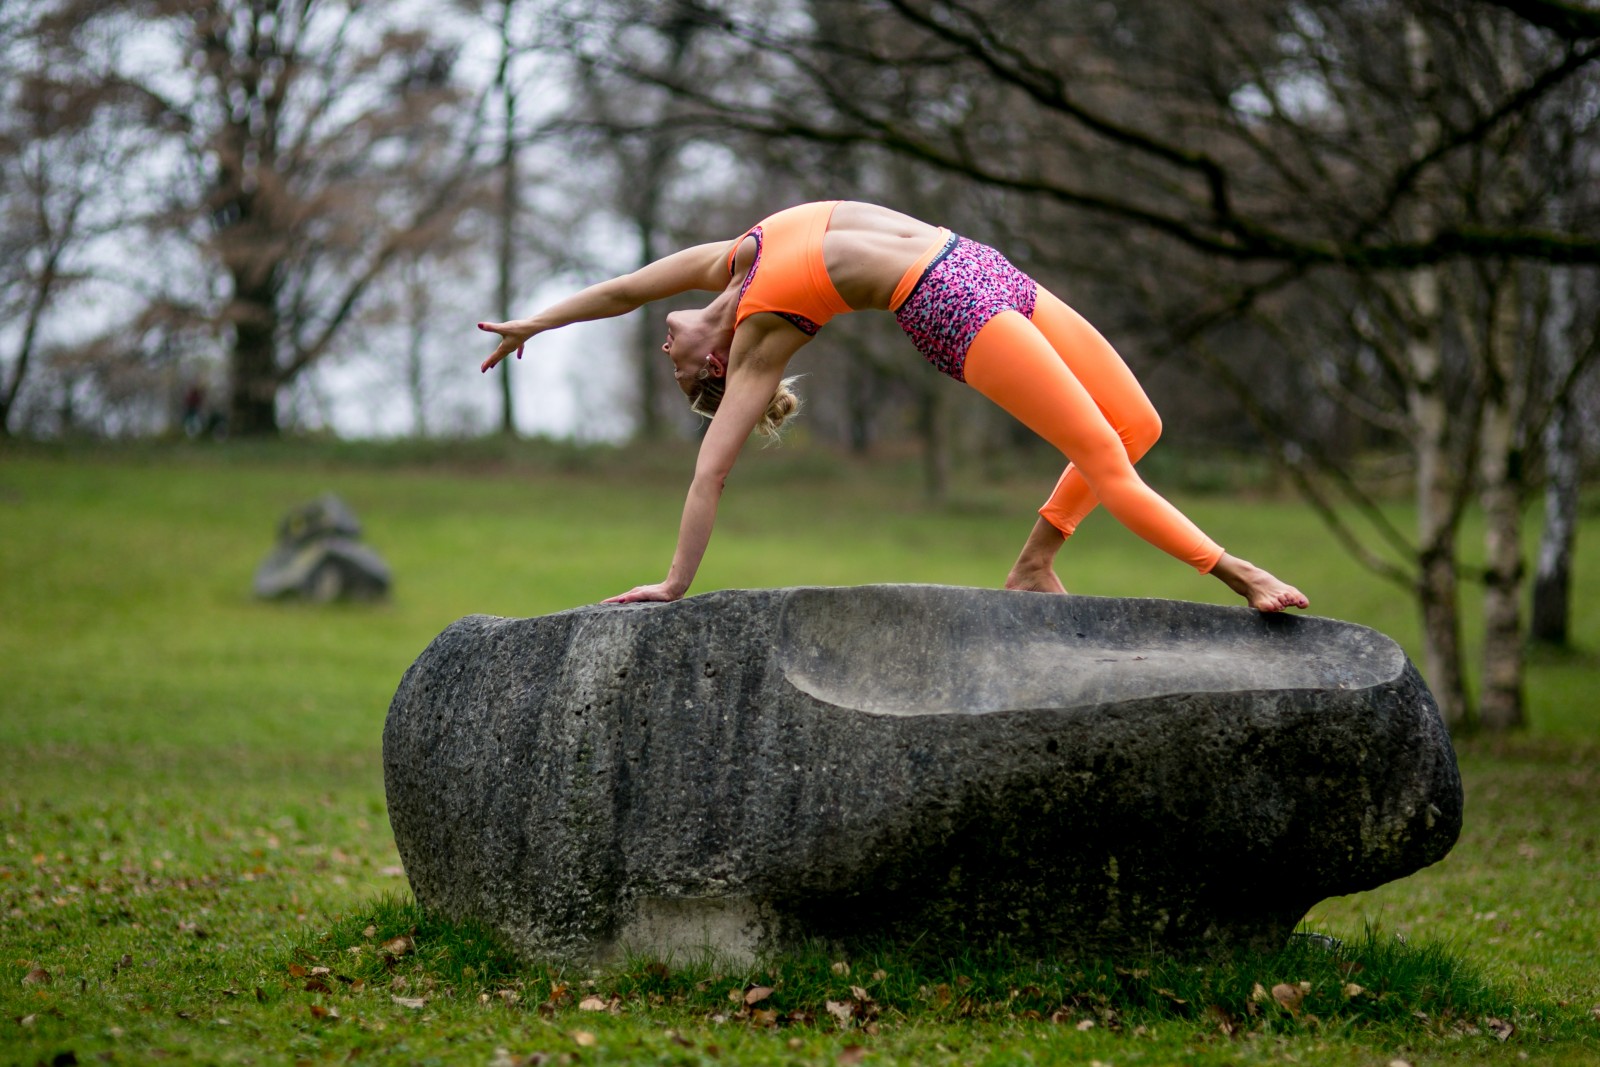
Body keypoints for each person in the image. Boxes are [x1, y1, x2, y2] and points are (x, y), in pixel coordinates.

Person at [478, 200, 1307, 612]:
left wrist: (533, 322)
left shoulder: (730, 261)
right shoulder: (766, 337)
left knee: (1140, 422)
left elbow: (623, 290)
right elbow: (708, 477)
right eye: (679, 373)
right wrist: (673, 581)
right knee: (1106, 457)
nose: (666, 353)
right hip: (946, 303)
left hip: (979, 261)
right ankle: (1238, 573)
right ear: (720, 366)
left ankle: (1033, 564)